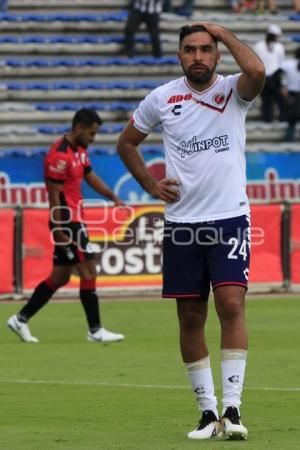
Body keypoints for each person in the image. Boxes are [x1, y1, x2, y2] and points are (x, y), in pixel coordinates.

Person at [117, 23, 265, 440]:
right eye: (189, 50)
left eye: (205, 49)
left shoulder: (233, 91)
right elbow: (126, 142)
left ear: (217, 55)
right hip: (182, 222)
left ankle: (233, 410)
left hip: (229, 217)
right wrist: (149, 183)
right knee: (189, 315)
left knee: (232, 305)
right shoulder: (162, 98)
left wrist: (224, 32)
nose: (197, 56)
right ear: (179, 55)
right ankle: (207, 414)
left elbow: (258, 72)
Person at [7, 109, 125, 344]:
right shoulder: (58, 156)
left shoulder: (79, 149)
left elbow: (90, 176)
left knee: (60, 277)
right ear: (79, 127)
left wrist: (113, 197)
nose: (93, 139)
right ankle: (95, 330)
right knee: (89, 270)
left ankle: (20, 319)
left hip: (73, 218)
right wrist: (59, 227)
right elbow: (54, 196)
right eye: (91, 133)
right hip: (66, 221)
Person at [253, 24, 286, 122]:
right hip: (275, 76)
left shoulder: (258, 45)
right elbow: (281, 64)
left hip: (263, 77)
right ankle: (283, 118)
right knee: (280, 100)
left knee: (266, 101)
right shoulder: (279, 47)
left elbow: (255, 62)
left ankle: (267, 119)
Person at [281, 47, 300, 141]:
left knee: (291, 121)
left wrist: (283, 87)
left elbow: (279, 74)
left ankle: (289, 140)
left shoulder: (288, 64)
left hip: (292, 95)